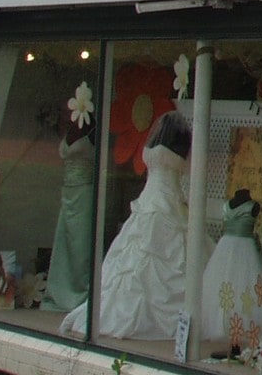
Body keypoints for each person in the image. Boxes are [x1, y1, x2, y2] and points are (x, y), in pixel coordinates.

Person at [60, 110, 191, 340]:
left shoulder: (152, 149)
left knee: (135, 262)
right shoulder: (174, 152)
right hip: (162, 204)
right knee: (147, 261)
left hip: (154, 202)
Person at [41, 113, 97, 314]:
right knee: (64, 243)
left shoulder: (93, 131)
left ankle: (79, 292)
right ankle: (59, 291)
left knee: (80, 245)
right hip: (68, 192)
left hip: (84, 192)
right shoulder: (72, 130)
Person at [199, 188, 262, 354]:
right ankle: (227, 329)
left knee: (242, 289)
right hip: (236, 248)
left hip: (235, 248)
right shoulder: (230, 205)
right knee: (227, 288)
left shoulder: (251, 206)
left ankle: (239, 333)